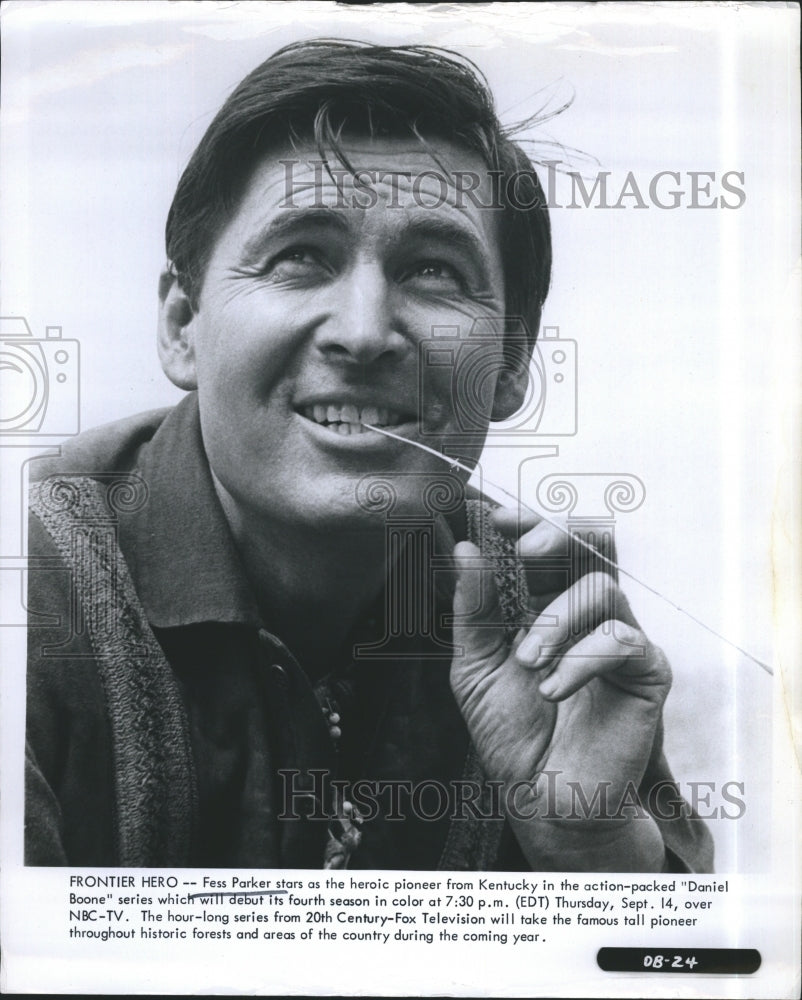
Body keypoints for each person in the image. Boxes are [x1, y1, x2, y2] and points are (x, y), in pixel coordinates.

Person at [24, 39, 713, 872]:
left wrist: (590, 842)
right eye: (300, 257)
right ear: (182, 326)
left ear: (510, 368)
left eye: (433, 270)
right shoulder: (29, 605)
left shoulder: (543, 629)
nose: (362, 332)